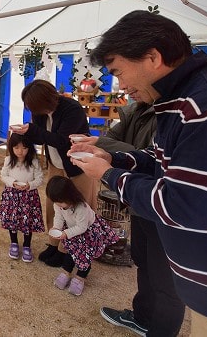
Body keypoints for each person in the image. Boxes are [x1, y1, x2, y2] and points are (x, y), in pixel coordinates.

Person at [68, 10, 207, 335]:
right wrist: (113, 158)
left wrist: (109, 174)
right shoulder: (184, 100)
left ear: (153, 58)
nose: (121, 86)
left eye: (119, 72)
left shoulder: (206, 109)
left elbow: (187, 205)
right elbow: (162, 159)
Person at [74, 101, 185, 336]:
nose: (123, 85)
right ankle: (143, 318)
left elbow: (159, 167)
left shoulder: (185, 110)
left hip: (165, 213)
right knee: (144, 262)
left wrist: (107, 167)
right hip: (141, 204)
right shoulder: (137, 109)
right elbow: (148, 153)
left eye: (119, 71)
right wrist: (106, 151)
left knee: (167, 284)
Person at [13, 79, 97, 267]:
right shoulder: (39, 113)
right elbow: (41, 138)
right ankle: (54, 244)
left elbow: (61, 140)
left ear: (46, 100)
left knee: (79, 208)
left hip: (78, 166)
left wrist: (33, 129)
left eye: (34, 106)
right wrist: (25, 132)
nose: (33, 111)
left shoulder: (72, 109)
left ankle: (71, 251)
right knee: (54, 205)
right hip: (56, 165)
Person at [46, 176, 119, 296]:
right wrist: (57, 228)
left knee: (85, 256)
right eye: (56, 202)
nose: (59, 205)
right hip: (72, 231)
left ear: (69, 196)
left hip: (87, 233)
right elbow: (59, 217)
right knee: (71, 252)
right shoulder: (58, 204)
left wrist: (66, 233)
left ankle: (80, 278)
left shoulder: (81, 207)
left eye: (60, 202)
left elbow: (82, 227)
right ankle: (66, 272)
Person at [0, 133, 44, 262]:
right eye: (16, 148)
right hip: (12, 195)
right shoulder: (8, 160)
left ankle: (27, 246)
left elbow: (40, 178)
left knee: (27, 221)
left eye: (24, 148)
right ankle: (14, 243)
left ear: (30, 148)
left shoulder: (33, 161)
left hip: (29, 197)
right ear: (11, 148)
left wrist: (30, 185)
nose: (20, 151)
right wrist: (12, 183)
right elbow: (3, 175)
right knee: (13, 220)